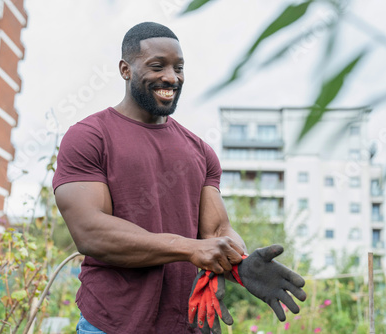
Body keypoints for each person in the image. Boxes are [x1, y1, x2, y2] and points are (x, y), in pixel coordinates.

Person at [53, 22, 248, 333]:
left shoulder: (200, 151)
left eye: (179, 67)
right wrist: (188, 248)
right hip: (111, 323)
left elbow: (217, 229)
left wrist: (243, 259)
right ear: (125, 69)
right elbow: (91, 232)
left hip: (188, 324)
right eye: (157, 66)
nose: (171, 77)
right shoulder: (90, 137)